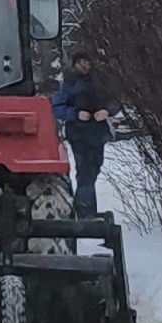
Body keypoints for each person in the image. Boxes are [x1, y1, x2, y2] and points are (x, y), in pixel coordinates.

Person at [50, 50, 114, 217]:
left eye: (86, 62)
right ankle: (85, 211)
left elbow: (115, 101)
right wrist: (75, 114)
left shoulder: (101, 82)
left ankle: (82, 208)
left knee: (94, 169)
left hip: (98, 133)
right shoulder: (68, 83)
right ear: (74, 64)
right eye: (80, 62)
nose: (83, 65)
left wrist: (107, 111)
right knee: (84, 171)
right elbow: (57, 108)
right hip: (78, 133)